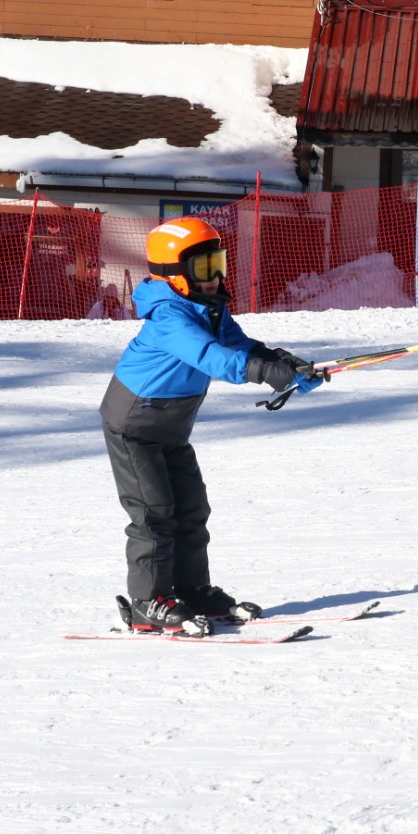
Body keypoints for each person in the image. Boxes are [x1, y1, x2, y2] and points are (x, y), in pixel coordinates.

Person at [100, 217, 325, 635]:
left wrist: (282, 361)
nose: (216, 275)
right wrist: (264, 372)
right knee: (153, 514)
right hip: (134, 425)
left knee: (191, 508)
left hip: (170, 427)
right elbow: (213, 357)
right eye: (204, 268)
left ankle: (192, 589)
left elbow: (238, 345)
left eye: (217, 262)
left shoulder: (210, 307)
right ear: (175, 275)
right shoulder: (170, 317)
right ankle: (148, 601)